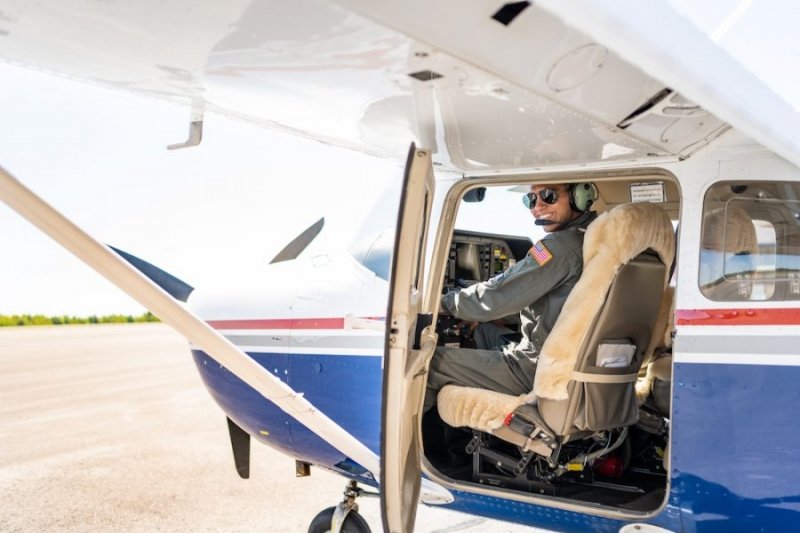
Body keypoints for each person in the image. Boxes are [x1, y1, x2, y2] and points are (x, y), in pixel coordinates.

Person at [423, 182, 598, 413]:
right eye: (530, 199)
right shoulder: (598, 243)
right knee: (483, 331)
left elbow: (497, 297)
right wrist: (502, 318)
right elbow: (559, 301)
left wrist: (446, 304)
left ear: (579, 195)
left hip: (538, 370)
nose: (538, 206)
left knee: (427, 362)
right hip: (576, 368)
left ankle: (428, 447)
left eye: (548, 195)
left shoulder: (561, 246)